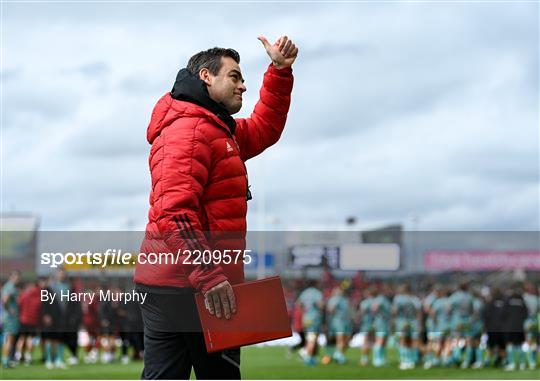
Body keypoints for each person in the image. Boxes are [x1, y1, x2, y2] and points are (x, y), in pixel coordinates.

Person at [134, 35, 297, 379]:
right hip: (193, 285)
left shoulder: (216, 128)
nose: (243, 85)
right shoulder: (190, 131)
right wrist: (210, 277)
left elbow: (265, 128)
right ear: (206, 77)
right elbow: (174, 213)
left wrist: (280, 72)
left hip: (182, 282)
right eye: (234, 76)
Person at [1, 270, 21, 368]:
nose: (17, 279)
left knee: (10, 340)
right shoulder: (9, 287)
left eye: (18, 277)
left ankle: (7, 360)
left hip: (11, 317)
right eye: (16, 277)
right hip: (9, 318)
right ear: (11, 277)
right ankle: (5, 360)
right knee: (9, 339)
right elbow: (5, 300)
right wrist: (10, 310)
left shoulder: (11, 287)